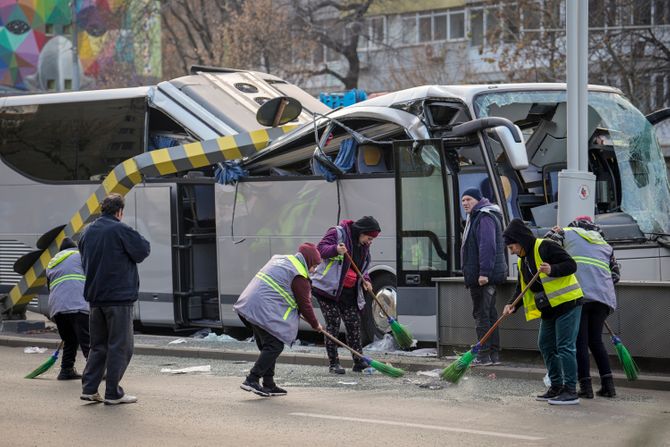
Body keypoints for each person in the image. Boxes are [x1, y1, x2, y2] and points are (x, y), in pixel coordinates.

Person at [78, 193, 151, 405]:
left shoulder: (86, 231)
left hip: (95, 298)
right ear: (119, 211)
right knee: (120, 346)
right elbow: (143, 250)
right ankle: (113, 392)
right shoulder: (120, 229)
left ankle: (89, 388)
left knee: (98, 346)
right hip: (118, 297)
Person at [501, 218, 583, 405]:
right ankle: (556, 386)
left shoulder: (545, 246)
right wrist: (512, 304)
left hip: (568, 303)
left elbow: (571, 265)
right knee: (545, 344)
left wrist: (552, 269)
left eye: (512, 247)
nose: (511, 251)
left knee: (564, 346)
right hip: (549, 308)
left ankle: (570, 390)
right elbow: (522, 287)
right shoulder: (523, 261)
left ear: (520, 242)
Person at [234, 243, 324, 397]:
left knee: (269, 345)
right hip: (262, 309)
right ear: (308, 261)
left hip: (250, 305)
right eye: (314, 266)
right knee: (274, 346)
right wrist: (316, 325)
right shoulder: (299, 275)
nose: (314, 270)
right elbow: (305, 305)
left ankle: (269, 384)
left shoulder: (283, 260)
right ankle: (252, 379)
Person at [545, 216, 620, 398]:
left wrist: (552, 232)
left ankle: (586, 388)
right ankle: (608, 386)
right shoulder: (605, 245)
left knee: (579, 342)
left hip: (579, 295)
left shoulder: (566, 233)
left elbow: (545, 247)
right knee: (595, 341)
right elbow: (615, 276)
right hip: (603, 298)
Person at [311, 216, 381, 374]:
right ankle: (334, 364)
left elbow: (361, 268)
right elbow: (319, 250)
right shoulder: (337, 233)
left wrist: (366, 280)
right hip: (328, 290)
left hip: (348, 292)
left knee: (353, 323)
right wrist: (335, 249)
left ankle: (359, 362)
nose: (370, 241)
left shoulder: (363, 245)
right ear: (361, 232)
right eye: (369, 238)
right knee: (333, 324)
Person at [460, 188, 507, 366]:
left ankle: (483, 355)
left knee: (482, 315)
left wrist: (484, 273)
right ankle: (493, 355)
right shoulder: (480, 215)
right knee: (490, 314)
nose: (465, 203)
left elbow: (487, 246)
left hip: (483, 277)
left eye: (468, 199)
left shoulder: (484, 216)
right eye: (463, 200)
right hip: (485, 276)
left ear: (478, 200)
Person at [45, 237, 90, 380]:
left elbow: (49, 287)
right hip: (77, 304)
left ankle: (66, 370)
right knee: (87, 339)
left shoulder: (51, 263)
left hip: (57, 307)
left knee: (69, 339)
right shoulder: (80, 256)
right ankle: (95, 371)